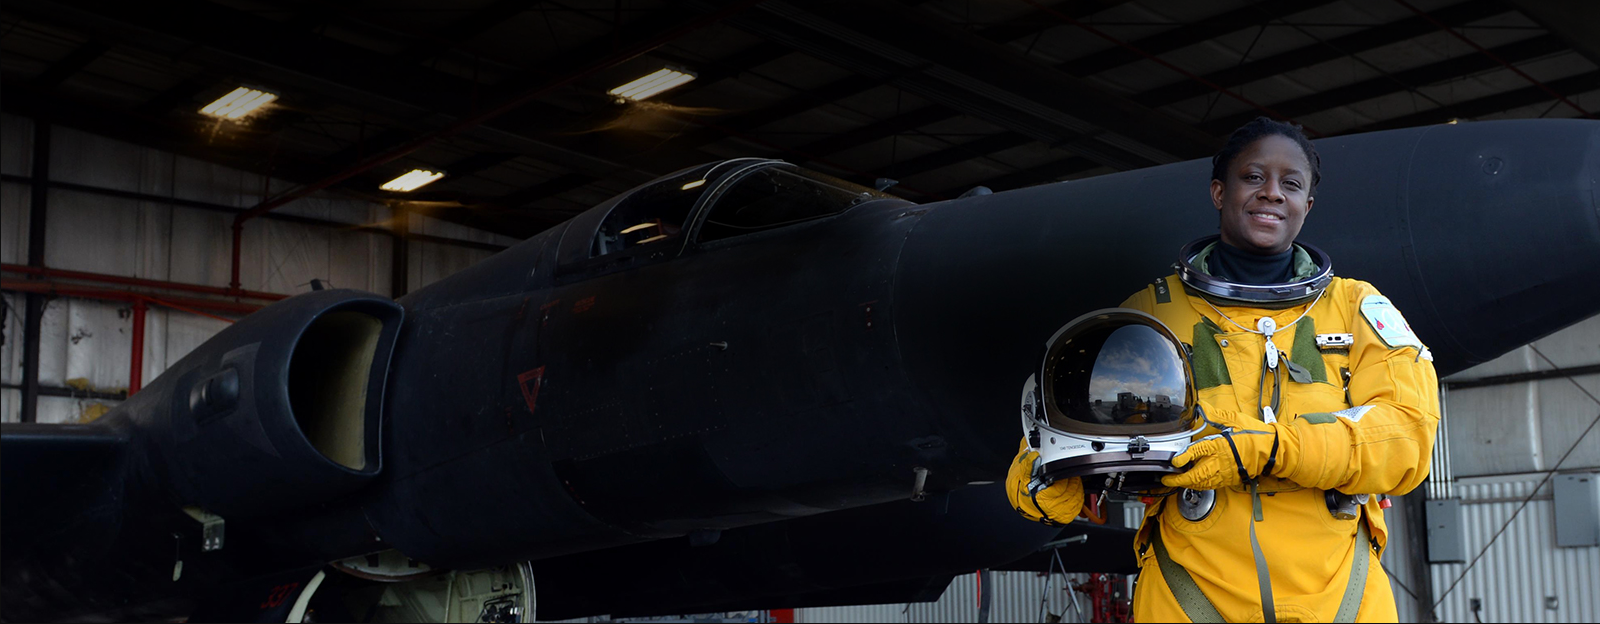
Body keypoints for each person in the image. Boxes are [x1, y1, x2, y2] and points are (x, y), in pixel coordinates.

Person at [1007, 117, 1440, 622]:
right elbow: (1067, 436)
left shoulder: (1357, 308)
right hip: (1190, 590)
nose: (1272, 194)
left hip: (1340, 590)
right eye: (1253, 177)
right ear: (1219, 191)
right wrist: (1044, 481)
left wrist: (1272, 448)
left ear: (1307, 205)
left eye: (1291, 184)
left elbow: (1408, 436)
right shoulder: (1150, 316)